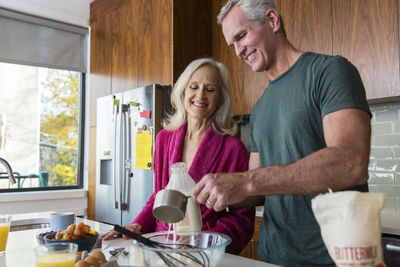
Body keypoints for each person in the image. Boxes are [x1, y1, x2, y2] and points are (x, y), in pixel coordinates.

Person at [191, 1, 372, 266]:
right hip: (272, 256)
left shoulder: (329, 72)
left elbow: (351, 163)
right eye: (232, 45)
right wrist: (216, 191)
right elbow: (257, 189)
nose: (239, 51)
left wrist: (245, 181)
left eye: (241, 36)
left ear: (272, 21)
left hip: (333, 258)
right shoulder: (261, 106)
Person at [102, 58, 255, 254]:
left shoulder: (233, 149)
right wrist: (138, 224)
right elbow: (159, 196)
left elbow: (241, 218)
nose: (200, 95)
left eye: (210, 89)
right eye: (194, 87)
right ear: (184, 91)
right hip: (161, 248)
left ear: (220, 99)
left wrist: (205, 242)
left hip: (204, 253)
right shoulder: (164, 139)